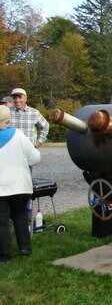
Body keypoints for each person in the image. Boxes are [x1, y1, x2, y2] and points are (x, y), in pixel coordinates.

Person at [0, 105, 41, 262]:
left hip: (1, 189)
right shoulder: (18, 135)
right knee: (20, 215)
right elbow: (35, 157)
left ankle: (5, 255)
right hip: (20, 185)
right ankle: (25, 247)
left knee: (2, 222)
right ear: (8, 120)